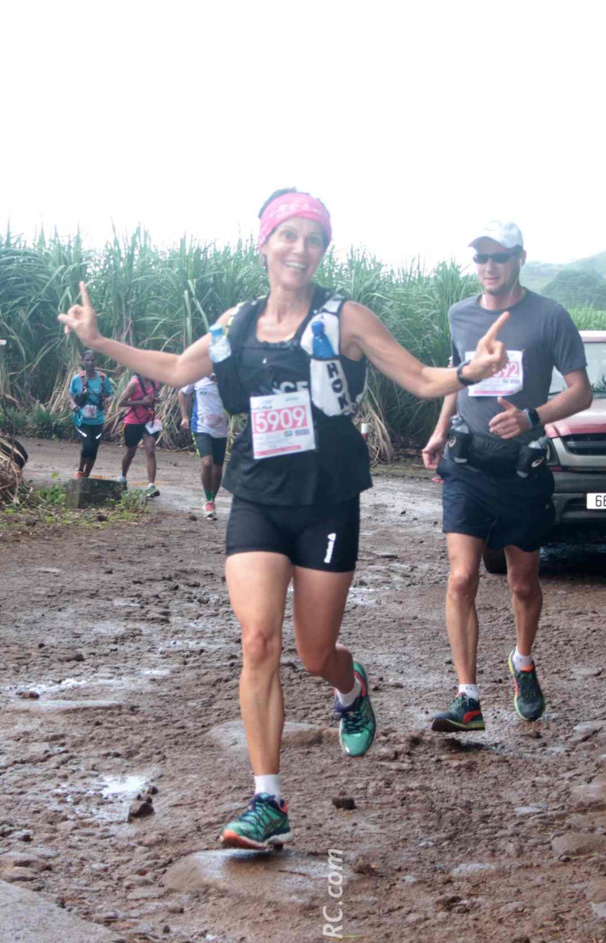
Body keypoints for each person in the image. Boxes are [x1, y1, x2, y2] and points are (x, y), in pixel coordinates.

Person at [59, 189, 508, 851]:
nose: (300, 248)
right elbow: (179, 368)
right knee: (258, 640)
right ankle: (268, 800)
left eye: (313, 238)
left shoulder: (344, 317)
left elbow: (417, 377)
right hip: (258, 495)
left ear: (322, 250)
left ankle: (349, 686)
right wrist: (98, 340)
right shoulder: (235, 323)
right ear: (264, 243)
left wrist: (472, 370)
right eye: (288, 235)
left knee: (313, 651)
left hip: (326, 499)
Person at [422, 220, 592, 733]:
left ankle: (522, 663)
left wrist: (530, 417)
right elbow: (458, 378)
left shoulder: (549, 316)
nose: (488, 267)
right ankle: (467, 698)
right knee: (461, 577)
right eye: (481, 258)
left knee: (521, 584)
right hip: (468, 465)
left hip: (522, 471)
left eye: (499, 257)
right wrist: (437, 431)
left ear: (520, 258)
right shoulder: (460, 314)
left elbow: (581, 392)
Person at [178, 376, 228, 519]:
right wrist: (184, 417)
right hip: (201, 427)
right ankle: (208, 501)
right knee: (207, 463)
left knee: (218, 470)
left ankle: (212, 500)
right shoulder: (197, 377)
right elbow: (182, 393)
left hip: (221, 430)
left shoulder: (227, 380)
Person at [68, 349, 114, 478]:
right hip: (81, 419)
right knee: (87, 446)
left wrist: (106, 400)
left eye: (92, 360)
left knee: (94, 449)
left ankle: (87, 475)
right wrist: (74, 406)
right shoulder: (77, 379)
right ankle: (80, 470)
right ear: (83, 362)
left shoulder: (103, 379)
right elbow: (70, 395)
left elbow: (110, 395)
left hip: (98, 419)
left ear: (96, 361)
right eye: (87, 360)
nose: (90, 362)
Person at [117, 375, 162, 497]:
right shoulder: (134, 384)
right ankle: (123, 477)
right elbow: (120, 402)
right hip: (133, 422)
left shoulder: (155, 382)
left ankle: (151, 485)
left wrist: (154, 400)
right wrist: (142, 402)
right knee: (131, 452)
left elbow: (157, 400)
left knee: (151, 450)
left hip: (149, 421)